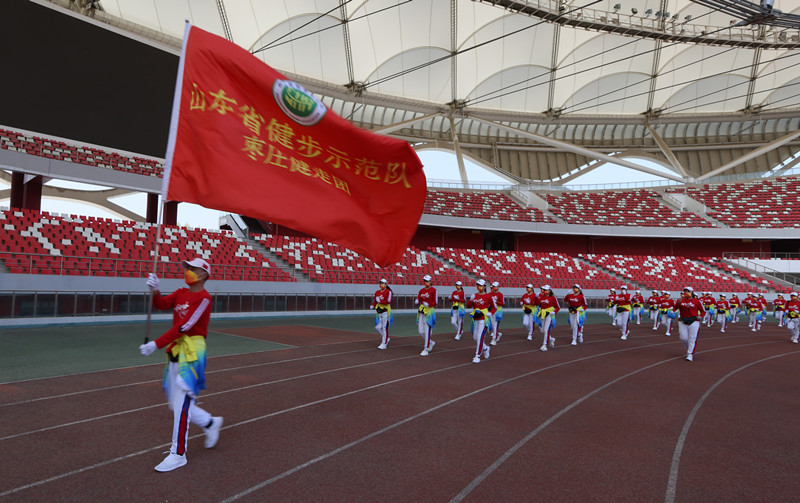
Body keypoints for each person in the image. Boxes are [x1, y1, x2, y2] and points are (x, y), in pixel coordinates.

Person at [138, 258, 223, 472]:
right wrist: (155, 290)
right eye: (188, 268)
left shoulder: (204, 298)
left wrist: (156, 344)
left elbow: (185, 326)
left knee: (181, 404)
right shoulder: (180, 293)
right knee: (175, 403)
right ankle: (210, 423)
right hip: (176, 350)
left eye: (193, 269)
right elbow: (160, 304)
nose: (188, 272)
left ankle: (178, 454)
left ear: (203, 274)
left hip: (192, 353)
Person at [465, 279, 495, 363]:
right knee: (475, 337)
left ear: (485, 286)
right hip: (475, 319)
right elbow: (468, 306)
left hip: (484, 319)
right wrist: (471, 300)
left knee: (479, 337)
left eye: (481, 285)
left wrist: (490, 313)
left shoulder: (489, 296)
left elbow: (494, 307)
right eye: (478, 285)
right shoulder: (474, 295)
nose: (479, 287)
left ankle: (477, 355)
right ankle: (485, 348)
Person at [674, 286, 705, 362]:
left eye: (688, 291)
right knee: (683, 338)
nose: (686, 293)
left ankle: (690, 354)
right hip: (682, 320)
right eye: (685, 291)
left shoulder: (697, 301)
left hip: (694, 321)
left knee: (692, 338)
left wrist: (700, 316)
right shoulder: (680, 300)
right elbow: (675, 308)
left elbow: (703, 311)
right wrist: (678, 303)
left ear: (692, 292)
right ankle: (690, 349)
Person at [414, 274, 437, 356]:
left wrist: (429, 304)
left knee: (427, 330)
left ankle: (426, 348)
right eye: (425, 281)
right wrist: (417, 301)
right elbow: (419, 298)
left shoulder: (433, 290)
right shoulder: (421, 290)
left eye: (427, 281)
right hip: (421, 311)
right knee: (420, 331)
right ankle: (430, 342)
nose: (426, 282)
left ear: (430, 281)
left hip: (429, 312)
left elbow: (435, 302)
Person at [371, 278, 393, 349]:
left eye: (383, 283)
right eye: (380, 283)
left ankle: (384, 343)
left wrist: (380, 301)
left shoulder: (388, 292)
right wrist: (373, 305)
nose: (381, 285)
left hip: (385, 312)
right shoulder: (377, 292)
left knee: (384, 327)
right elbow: (375, 301)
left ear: (386, 284)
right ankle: (386, 338)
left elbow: (388, 301)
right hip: (379, 312)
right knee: (377, 327)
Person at [536, 284, 560, 351]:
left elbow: (558, 307)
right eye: (543, 290)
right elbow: (537, 304)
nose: (544, 291)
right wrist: (537, 298)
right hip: (543, 314)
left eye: (545, 290)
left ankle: (544, 345)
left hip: (549, 315)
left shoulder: (553, 298)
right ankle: (551, 339)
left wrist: (554, 312)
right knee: (542, 330)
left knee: (546, 330)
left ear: (549, 290)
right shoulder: (541, 297)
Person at [489, 281, 504, 346]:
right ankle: (497, 334)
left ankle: (494, 339)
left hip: (497, 311)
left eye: (496, 287)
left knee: (495, 325)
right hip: (490, 311)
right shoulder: (489, 294)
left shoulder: (500, 294)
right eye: (494, 286)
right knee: (491, 325)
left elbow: (502, 303)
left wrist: (496, 302)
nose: (495, 288)